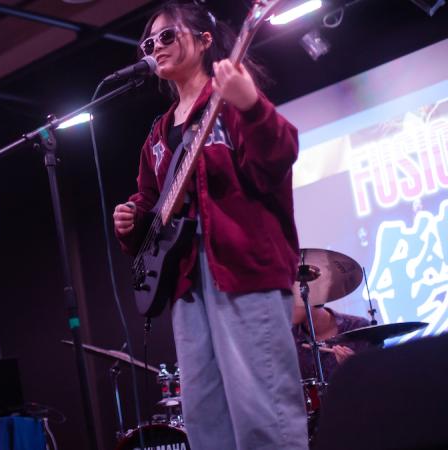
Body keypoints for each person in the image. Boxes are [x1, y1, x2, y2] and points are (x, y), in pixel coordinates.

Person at [112, 2, 308, 449]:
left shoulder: (231, 97)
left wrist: (253, 107)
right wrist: (131, 220)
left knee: (265, 414)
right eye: (149, 42)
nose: (156, 47)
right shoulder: (159, 135)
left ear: (203, 41)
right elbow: (150, 209)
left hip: (243, 272)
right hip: (186, 286)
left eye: (167, 36)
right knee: (205, 423)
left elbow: (277, 159)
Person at [292, 304, 371, 381]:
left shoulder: (358, 326)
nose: (283, 306)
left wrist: (356, 367)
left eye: (287, 297)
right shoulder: (289, 339)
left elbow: (377, 379)